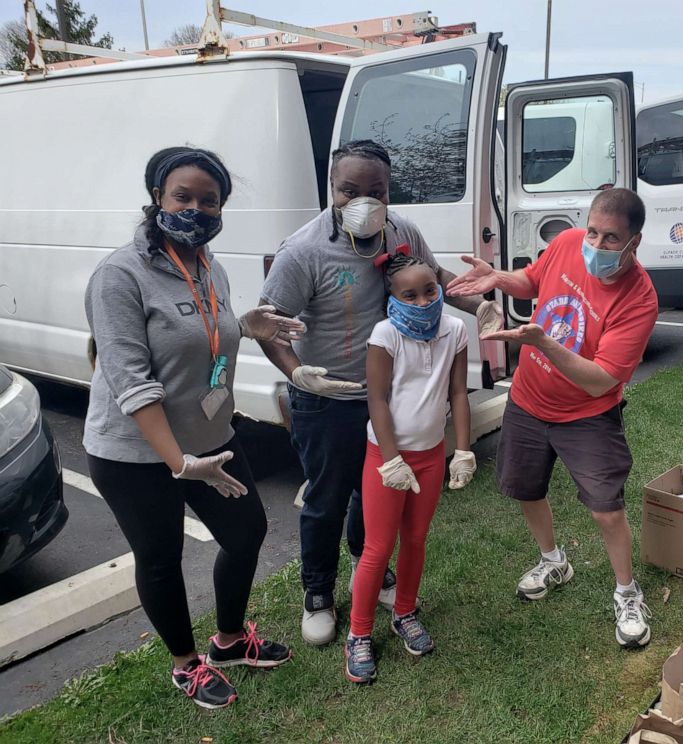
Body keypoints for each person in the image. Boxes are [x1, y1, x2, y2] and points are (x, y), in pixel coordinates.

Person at [258, 140, 500, 646]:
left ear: (390, 192)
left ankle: (368, 566)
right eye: (350, 190)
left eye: (376, 191)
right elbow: (268, 326)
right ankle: (318, 593)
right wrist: (298, 372)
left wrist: (477, 299)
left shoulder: (403, 232)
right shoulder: (301, 251)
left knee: (372, 501)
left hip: (386, 400)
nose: (363, 201)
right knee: (325, 499)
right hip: (326, 400)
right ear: (332, 188)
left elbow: (431, 280)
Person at [84, 147, 300, 709]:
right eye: (184, 197)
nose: (197, 210)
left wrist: (243, 325)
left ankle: (229, 641)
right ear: (158, 197)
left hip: (210, 438)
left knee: (247, 531)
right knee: (160, 557)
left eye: (210, 200)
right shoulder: (119, 275)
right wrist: (179, 464)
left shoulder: (210, 265)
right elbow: (131, 382)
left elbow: (206, 340)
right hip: (134, 452)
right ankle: (186, 664)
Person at [447, 187, 658, 648]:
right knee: (526, 488)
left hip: (587, 415)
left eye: (610, 239)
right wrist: (498, 278)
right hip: (527, 399)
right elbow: (533, 280)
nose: (596, 246)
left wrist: (542, 343)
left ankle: (626, 592)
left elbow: (601, 380)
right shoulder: (567, 243)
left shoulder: (639, 299)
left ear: (633, 243)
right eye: (594, 232)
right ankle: (553, 560)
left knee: (606, 509)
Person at [344, 250, 476, 683]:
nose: (422, 302)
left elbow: (458, 392)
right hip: (387, 458)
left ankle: (404, 612)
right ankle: (359, 634)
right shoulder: (385, 335)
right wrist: (392, 457)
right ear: (392, 298)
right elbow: (377, 399)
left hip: (430, 454)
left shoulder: (455, 329)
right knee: (378, 549)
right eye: (410, 295)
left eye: (430, 291)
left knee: (416, 539)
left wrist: (462, 450)